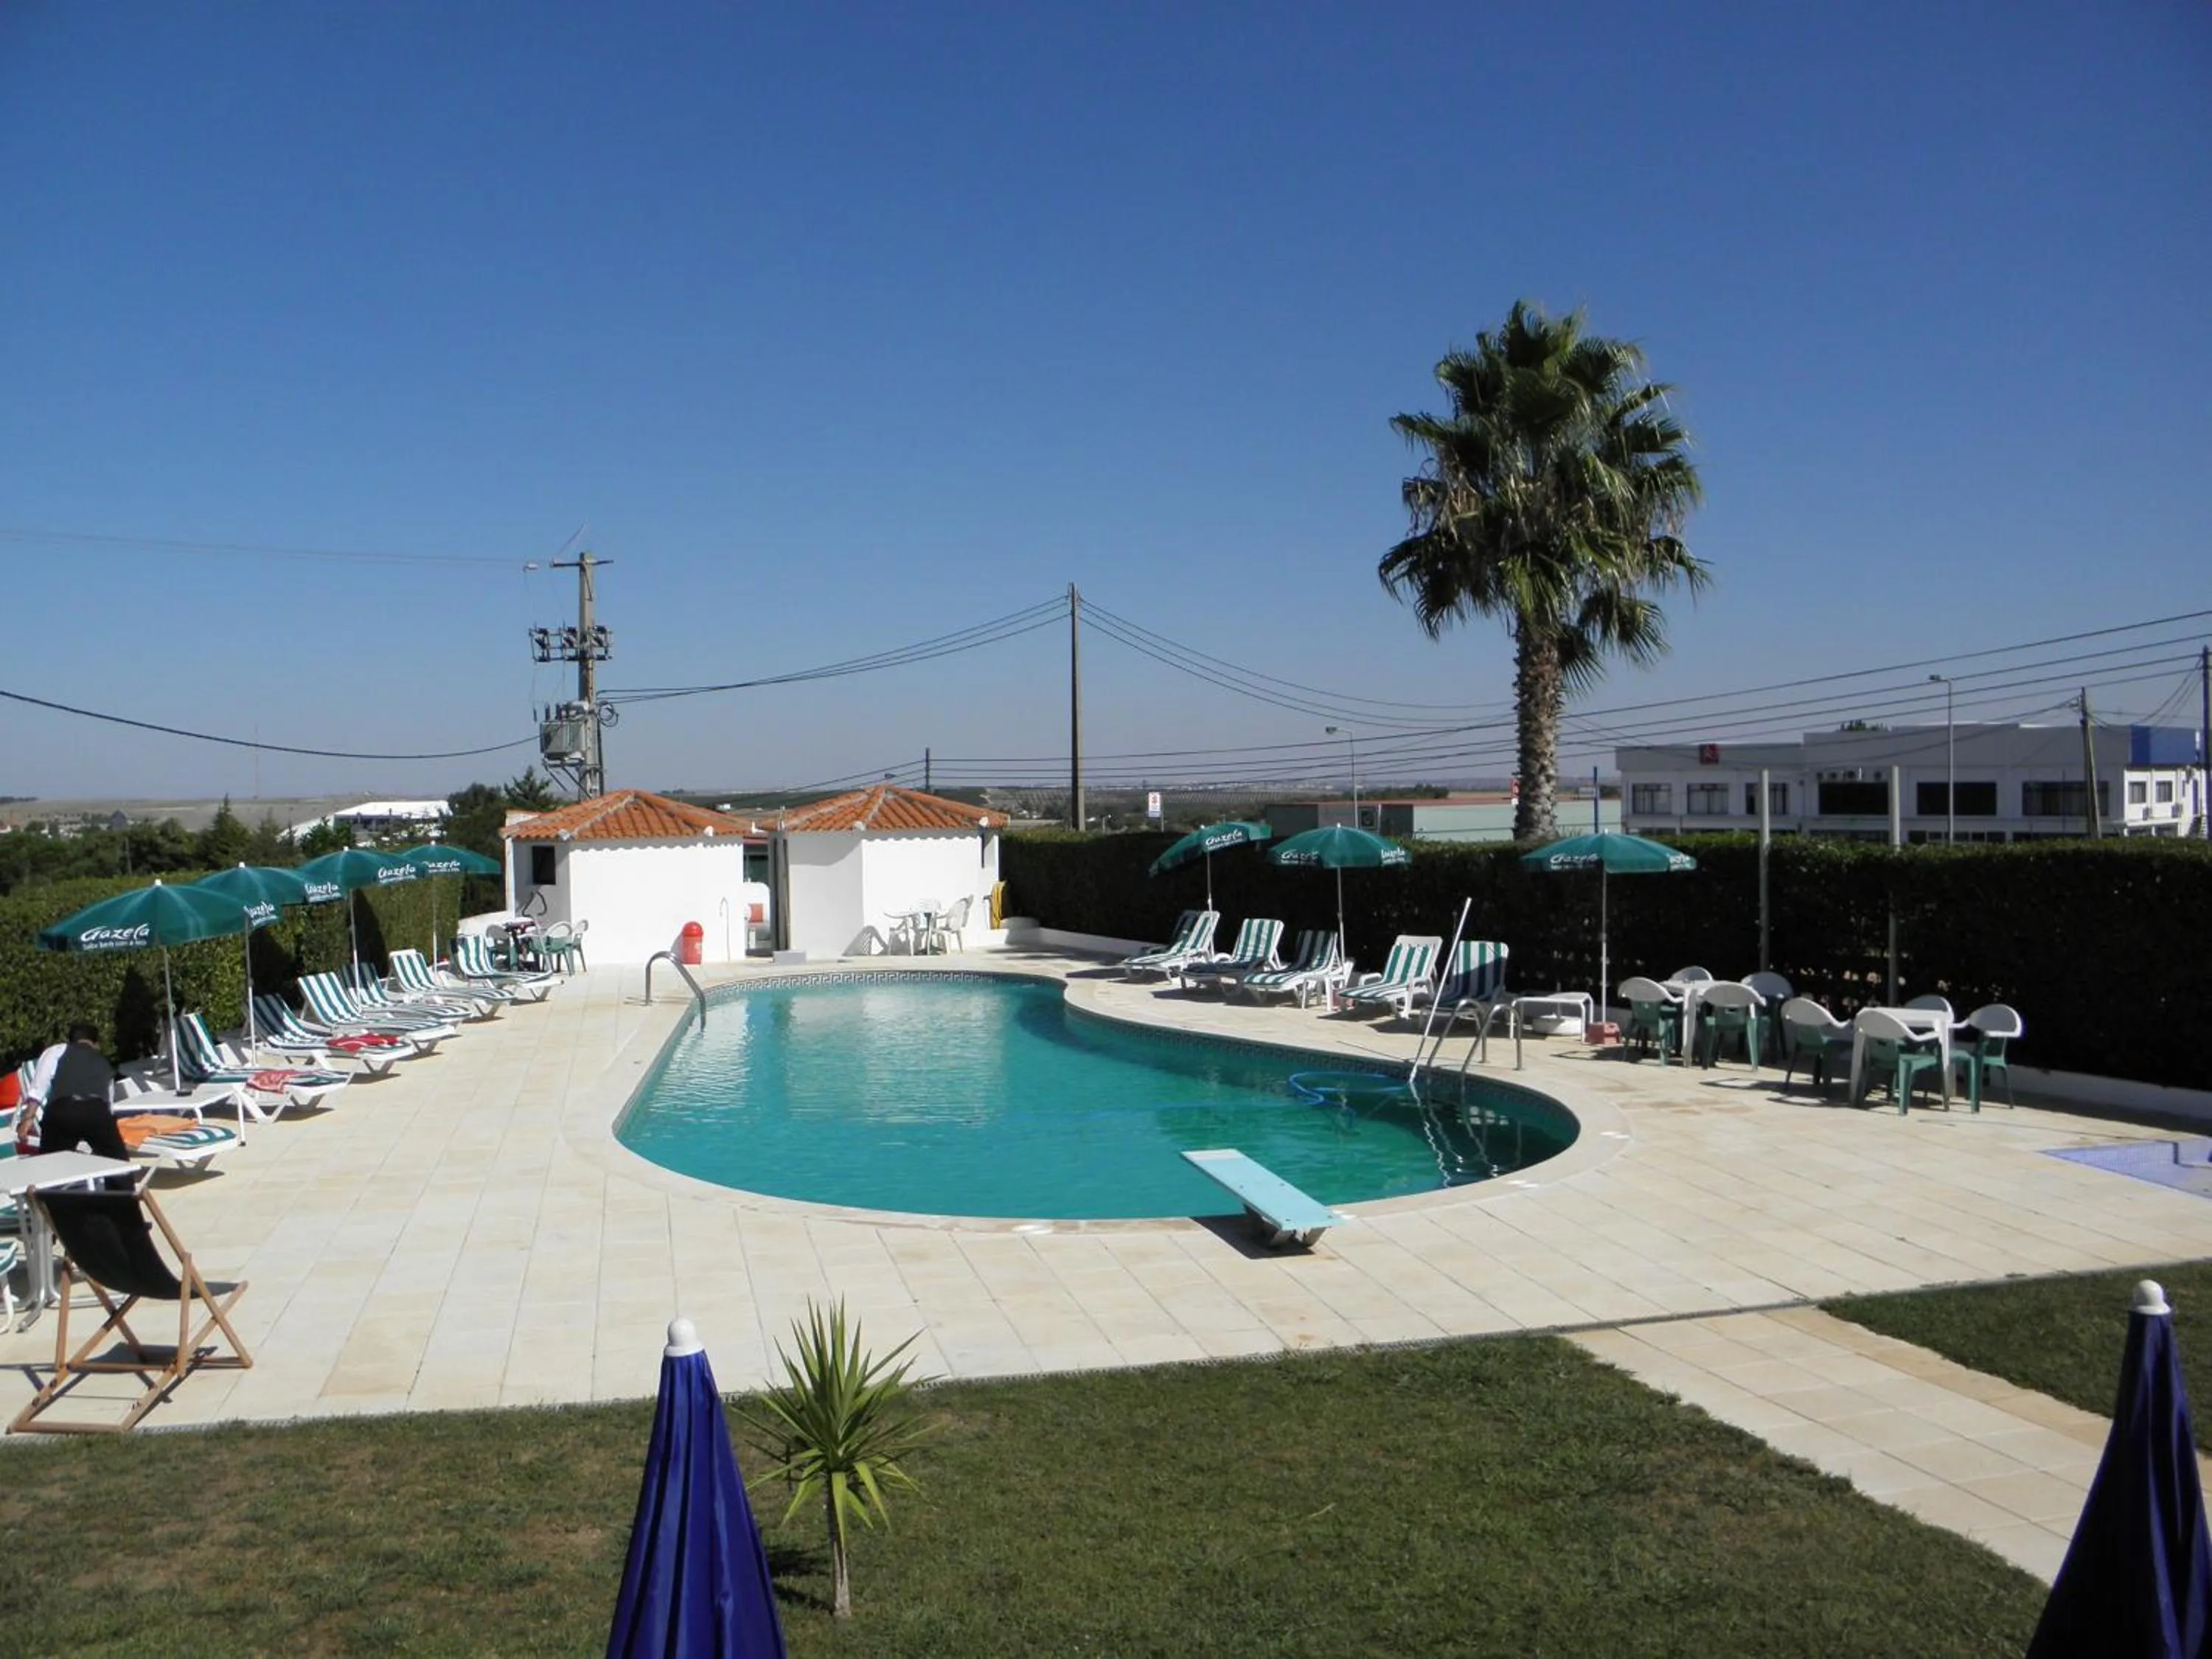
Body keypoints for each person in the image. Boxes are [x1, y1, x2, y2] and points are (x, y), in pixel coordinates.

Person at [23, 1022, 133, 1161]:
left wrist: (28, 1118)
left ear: (69, 1040)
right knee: (118, 1164)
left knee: (50, 1164)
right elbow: (109, 1104)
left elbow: (39, 1087)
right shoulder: (103, 1062)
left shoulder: (57, 1051)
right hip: (96, 1113)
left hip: (63, 1111)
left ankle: (53, 1181)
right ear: (96, 1044)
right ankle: (121, 1182)